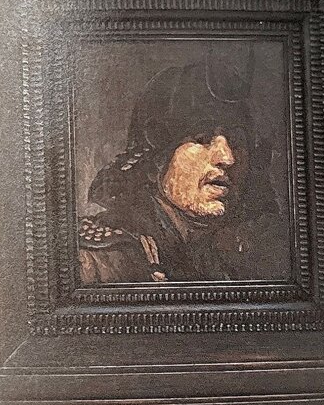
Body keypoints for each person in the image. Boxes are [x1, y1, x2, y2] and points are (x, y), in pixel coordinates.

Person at [76, 57, 286, 285]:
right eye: (201, 139)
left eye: (236, 141)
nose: (228, 158)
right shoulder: (99, 260)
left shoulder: (238, 257)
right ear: (155, 162)